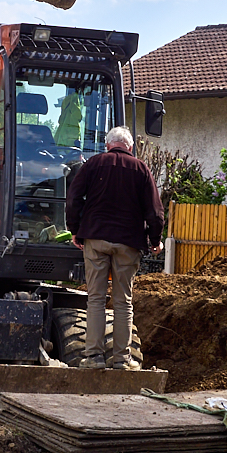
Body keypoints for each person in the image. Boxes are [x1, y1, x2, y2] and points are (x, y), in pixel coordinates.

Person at [65, 125, 164, 370]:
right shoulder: (141, 169)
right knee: (123, 302)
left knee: (96, 299)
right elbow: (155, 212)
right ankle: (122, 360)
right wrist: (155, 240)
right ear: (130, 147)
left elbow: (73, 199)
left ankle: (93, 358)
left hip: (95, 239)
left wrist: (75, 229)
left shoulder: (93, 164)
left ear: (108, 145)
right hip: (128, 242)